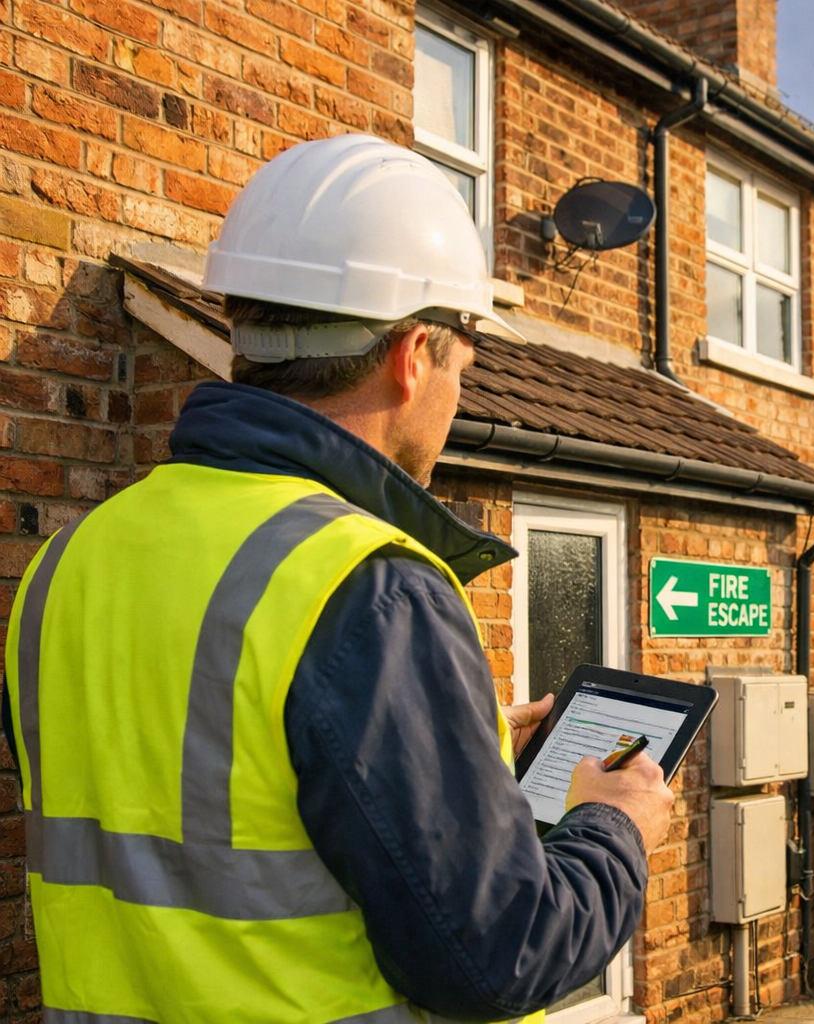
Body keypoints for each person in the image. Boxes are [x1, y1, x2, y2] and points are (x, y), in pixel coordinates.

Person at [3, 134, 676, 1022]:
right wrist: (614, 825)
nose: (455, 401)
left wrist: (452, 755)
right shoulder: (369, 585)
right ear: (411, 356)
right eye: (462, 368)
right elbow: (500, 954)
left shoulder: (69, 562)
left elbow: (221, 802)